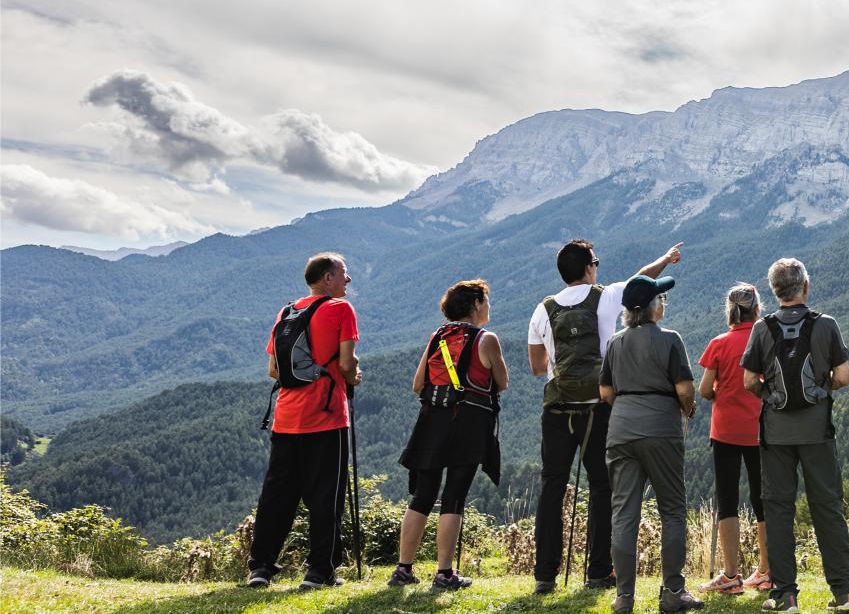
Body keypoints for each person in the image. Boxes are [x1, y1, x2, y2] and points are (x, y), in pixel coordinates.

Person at [528, 240, 683, 594]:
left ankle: (544, 575)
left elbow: (537, 367)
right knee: (602, 486)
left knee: (552, 487)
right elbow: (641, 279)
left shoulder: (543, 309)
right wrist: (667, 258)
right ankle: (598, 571)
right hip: (597, 405)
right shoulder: (607, 296)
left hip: (557, 408)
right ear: (588, 268)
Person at [742, 257, 849, 614]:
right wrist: (822, 389)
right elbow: (844, 375)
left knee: (778, 510)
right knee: (827, 507)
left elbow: (749, 381)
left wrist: (771, 397)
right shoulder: (825, 325)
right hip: (817, 431)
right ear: (805, 286)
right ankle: (844, 594)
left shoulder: (762, 328)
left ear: (776, 292)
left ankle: (785, 596)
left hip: (776, 433)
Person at [246, 252, 362, 589]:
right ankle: (319, 572)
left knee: (277, 495)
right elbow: (345, 364)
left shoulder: (287, 312)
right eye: (344, 273)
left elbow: (272, 370)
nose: (348, 280)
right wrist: (355, 376)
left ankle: (261, 568)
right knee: (326, 496)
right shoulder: (341, 309)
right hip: (326, 417)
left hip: (286, 418)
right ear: (328, 278)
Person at [389, 279, 510, 590]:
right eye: (487, 301)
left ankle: (403, 568)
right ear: (476, 305)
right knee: (453, 496)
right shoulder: (487, 339)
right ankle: (444, 573)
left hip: (431, 420)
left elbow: (418, 384)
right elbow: (502, 381)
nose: (489, 306)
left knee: (422, 495)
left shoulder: (438, 336)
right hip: (467, 424)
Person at [600, 274, 702, 614]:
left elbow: (605, 393)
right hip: (661, 428)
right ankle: (673, 591)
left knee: (624, 513)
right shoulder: (671, 340)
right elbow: (685, 390)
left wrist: (628, 410)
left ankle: (624, 597)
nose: (665, 302)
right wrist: (687, 410)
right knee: (672, 509)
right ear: (655, 306)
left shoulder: (615, 343)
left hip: (621, 430)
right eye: (662, 298)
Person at [697, 283, 771, 594]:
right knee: (762, 499)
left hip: (725, 430)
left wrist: (721, 393)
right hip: (760, 429)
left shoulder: (718, 343)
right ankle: (766, 571)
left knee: (727, 500)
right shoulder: (766, 341)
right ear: (757, 309)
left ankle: (730, 576)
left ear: (730, 311)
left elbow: (703, 390)